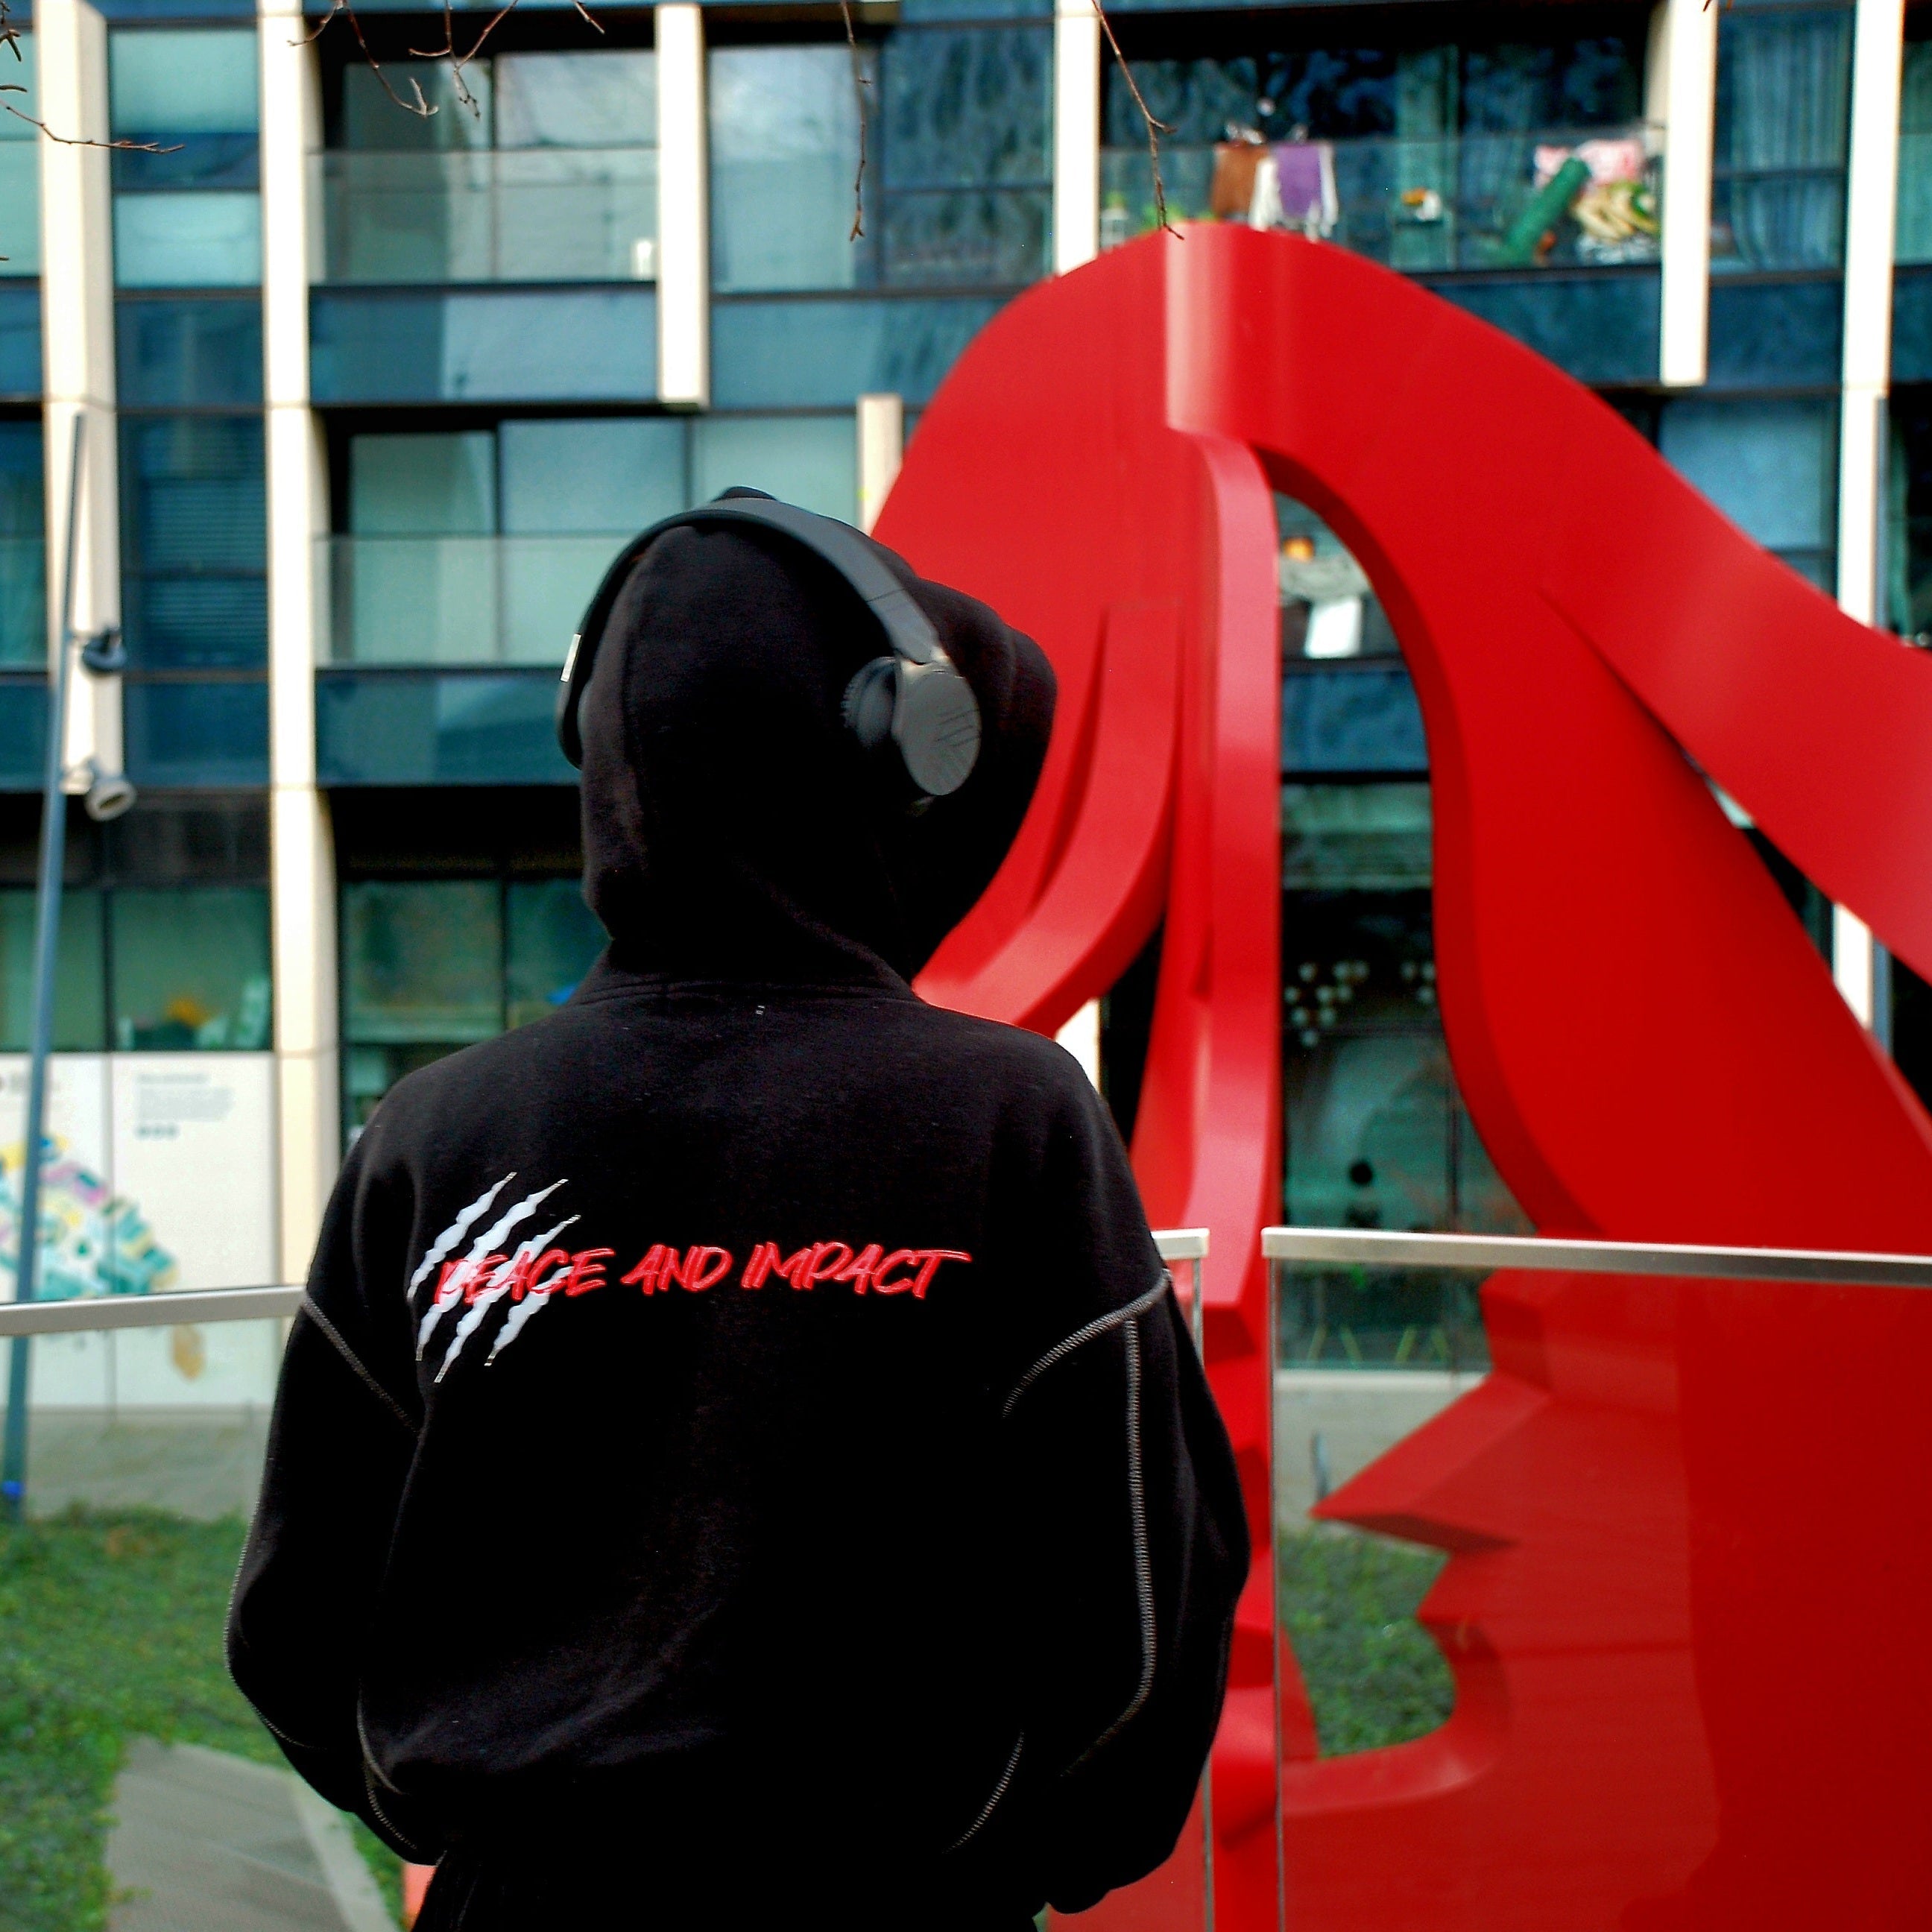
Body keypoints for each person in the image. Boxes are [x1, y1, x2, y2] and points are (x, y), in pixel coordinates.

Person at [227, 493, 1248, 1930]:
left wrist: (471, 1816)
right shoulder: (1010, 1119)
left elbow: (293, 1624)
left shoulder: (436, 1132)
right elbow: (1146, 1613)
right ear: (901, 756)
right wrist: (1022, 1853)